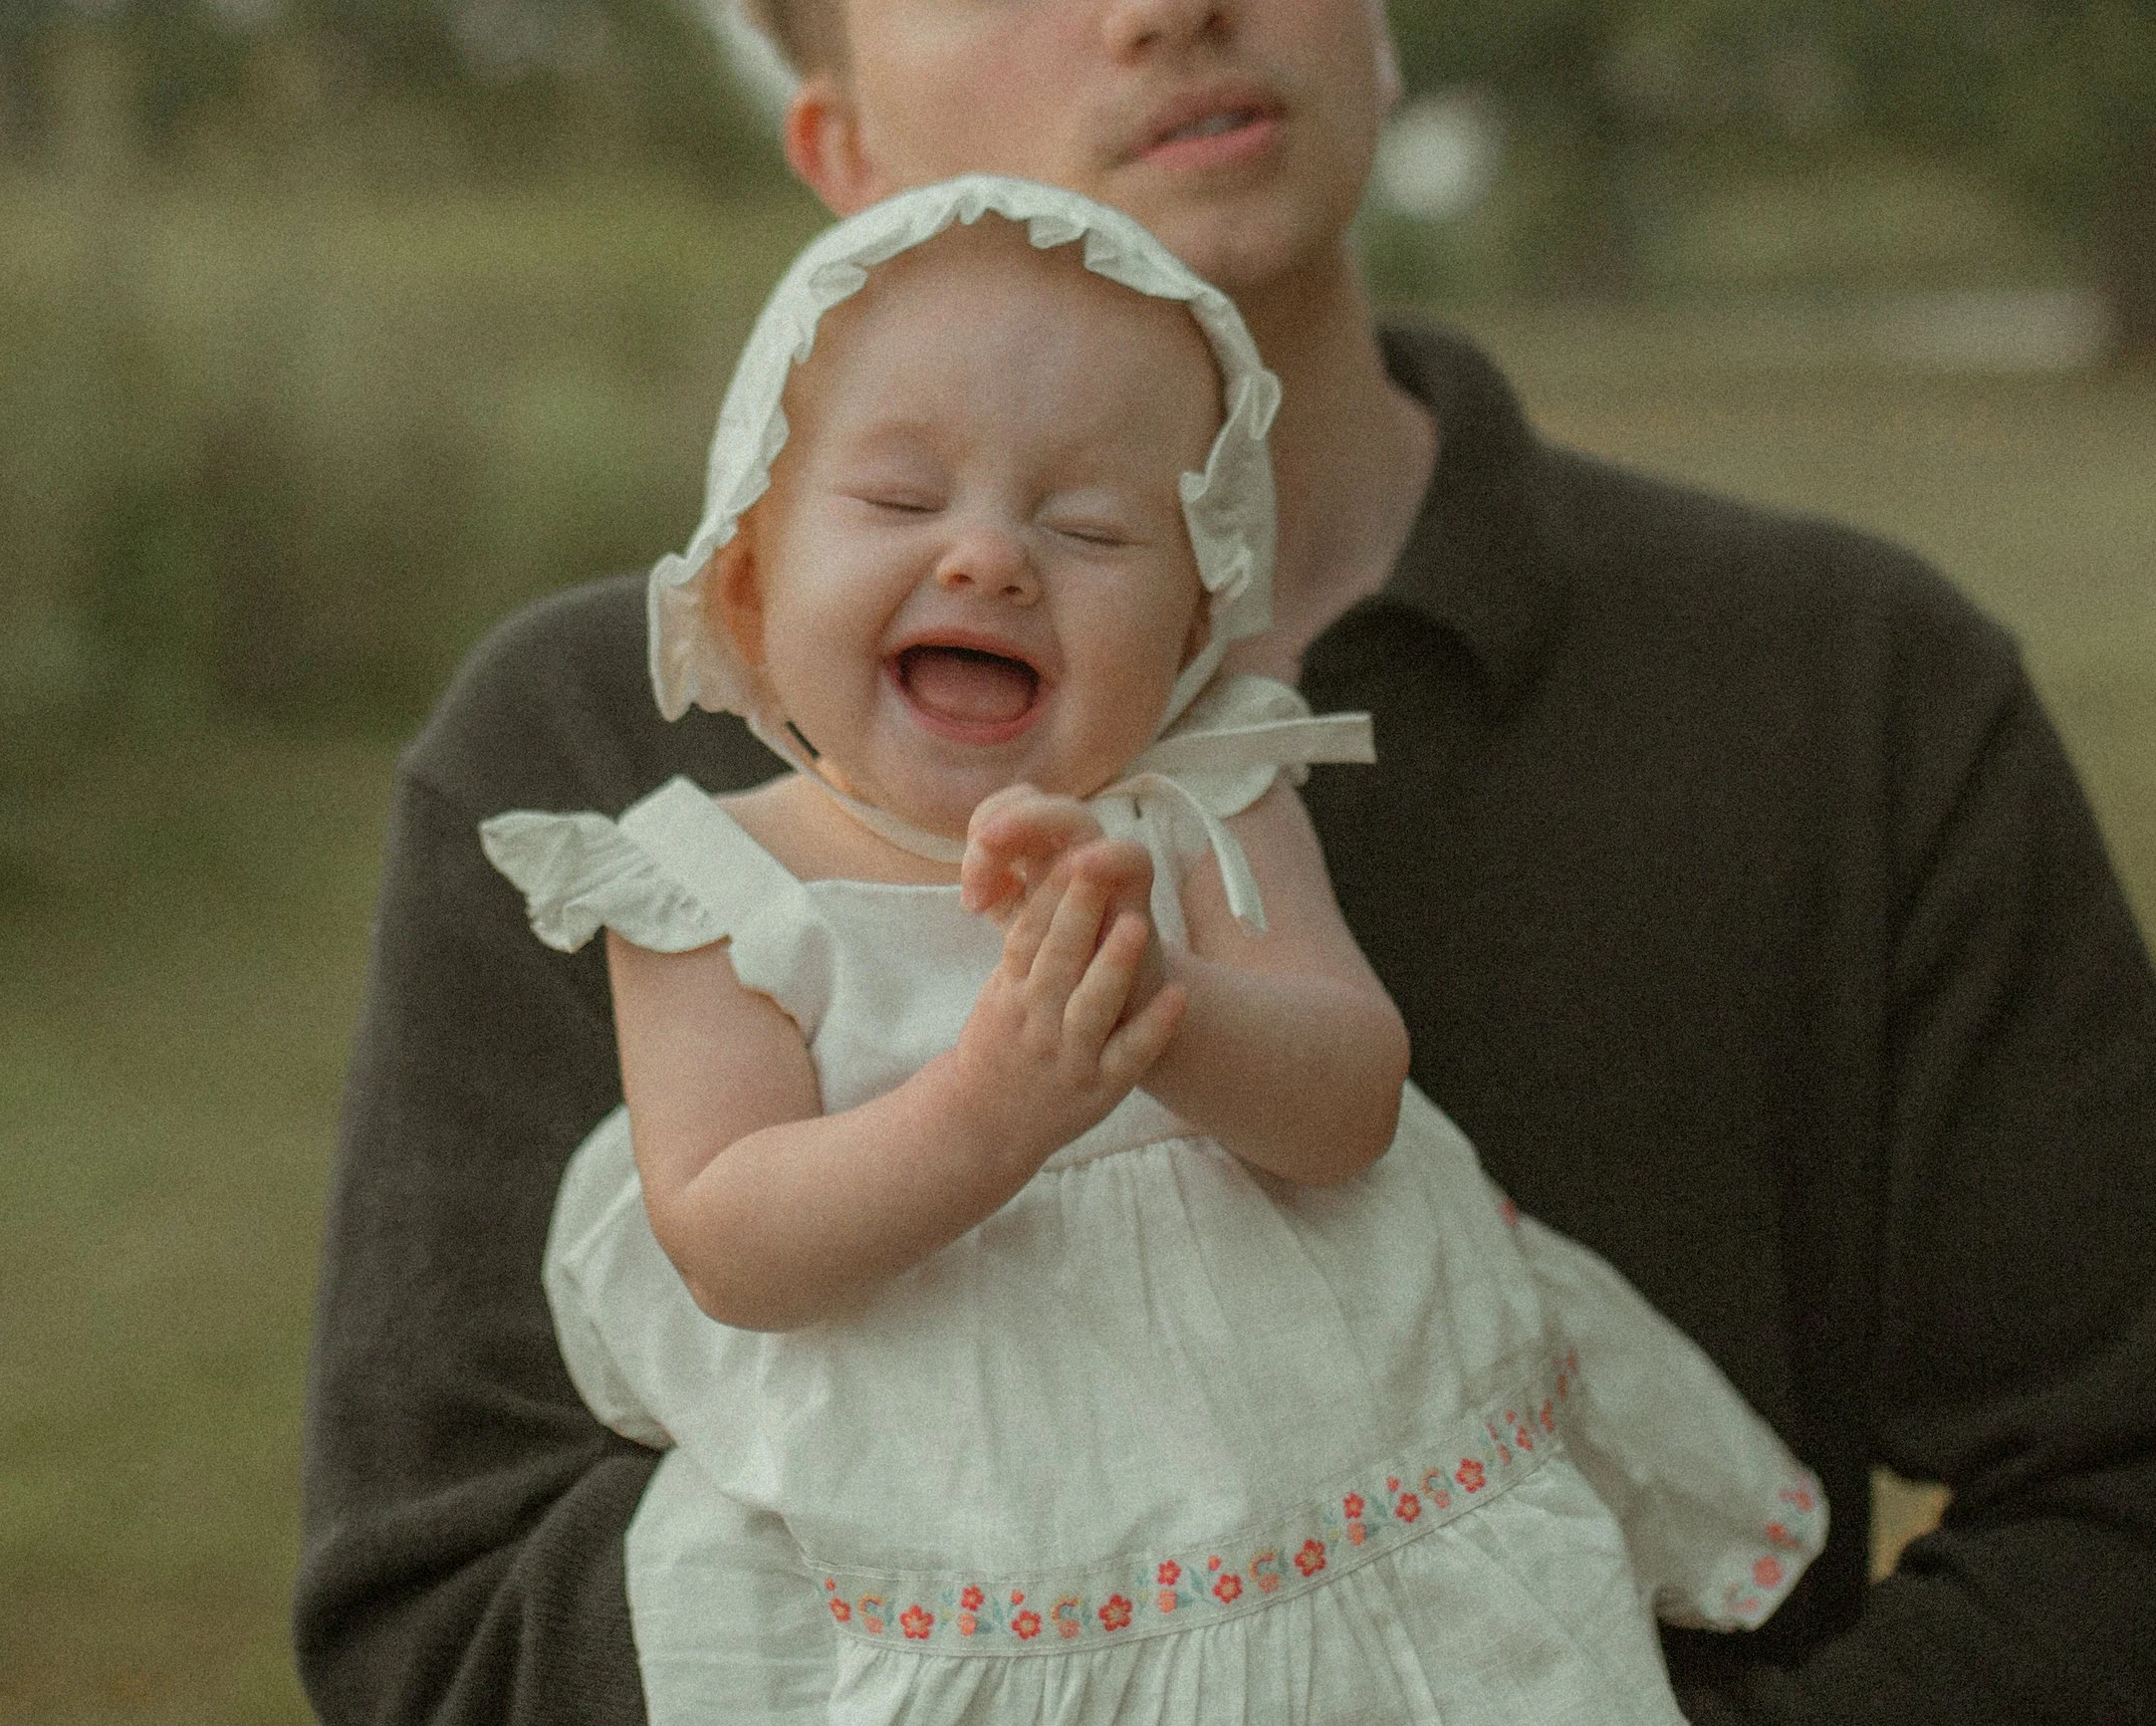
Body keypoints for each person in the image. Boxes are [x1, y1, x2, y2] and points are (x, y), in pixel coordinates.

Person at [293, 4, 2156, 1722]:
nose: (1164, 6)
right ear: (837, 134)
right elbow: (440, 1627)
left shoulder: (1840, 686)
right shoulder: (589, 762)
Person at [470, 177, 1825, 1724]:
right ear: (752, 583)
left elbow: (1350, 1103)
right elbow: (729, 1241)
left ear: (1192, 630)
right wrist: (988, 1108)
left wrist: (1166, 1010)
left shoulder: (1204, 805)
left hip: (1347, 1488)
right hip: (980, 1535)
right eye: (904, 503)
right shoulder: (715, 890)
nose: (988, 560)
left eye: (1090, 525)